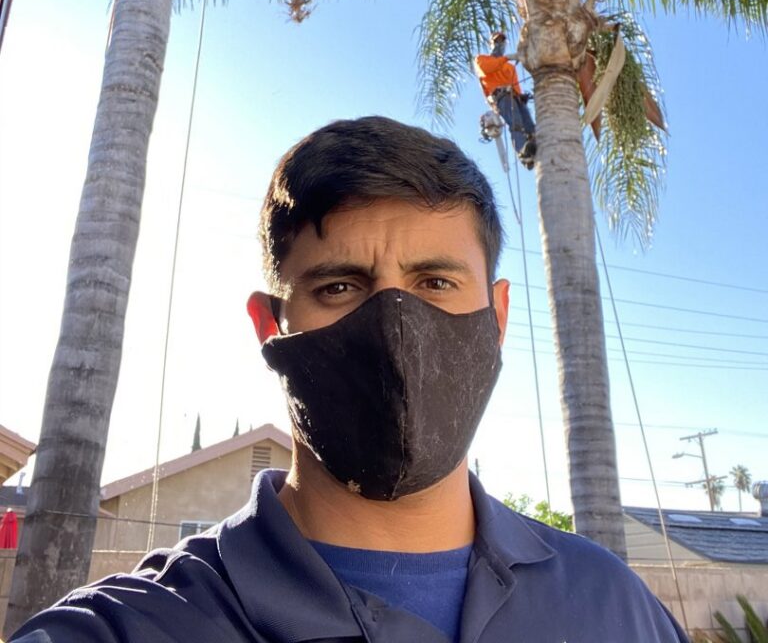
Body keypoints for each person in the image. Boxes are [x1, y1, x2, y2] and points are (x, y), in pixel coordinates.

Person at [9, 117, 688, 643]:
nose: (396, 326)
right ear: (270, 326)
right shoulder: (131, 629)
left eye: (436, 282)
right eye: (339, 286)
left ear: (498, 316)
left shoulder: (615, 605)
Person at [474, 31, 536, 168]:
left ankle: (534, 150)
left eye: (502, 41)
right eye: (496, 41)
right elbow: (487, 69)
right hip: (501, 97)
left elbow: (516, 84)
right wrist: (506, 58)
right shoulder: (481, 59)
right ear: (490, 44)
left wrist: (521, 97)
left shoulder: (509, 67)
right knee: (516, 123)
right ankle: (523, 152)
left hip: (515, 97)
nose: (499, 44)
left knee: (530, 127)